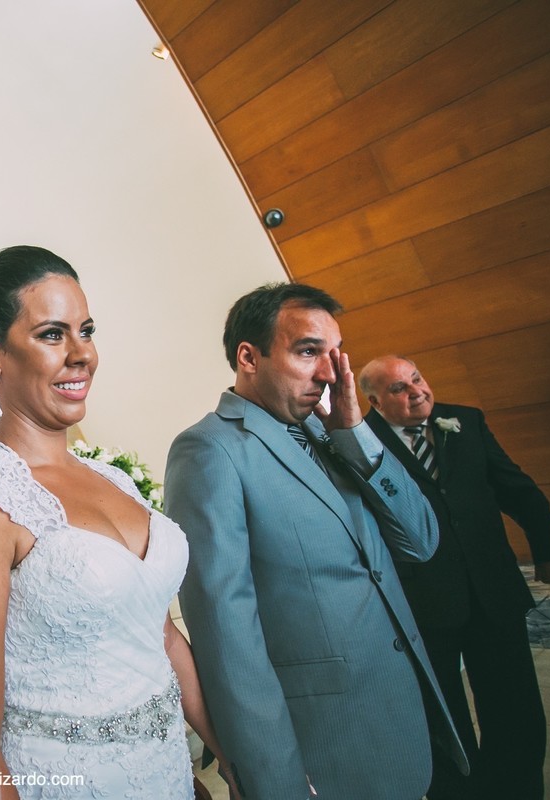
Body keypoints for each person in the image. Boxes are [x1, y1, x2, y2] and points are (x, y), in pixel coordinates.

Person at [0, 246, 233, 799]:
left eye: (86, 330)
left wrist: (234, 756)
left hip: (167, 774)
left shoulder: (115, 479)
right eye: (52, 335)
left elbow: (157, 635)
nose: (82, 354)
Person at [164, 282, 467, 800]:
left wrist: (357, 435)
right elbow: (226, 633)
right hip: (325, 747)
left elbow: (421, 540)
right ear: (249, 356)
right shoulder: (210, 450)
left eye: (333, 354)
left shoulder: (336, 436)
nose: (329, 373)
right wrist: (269, 776)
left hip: (403, 718)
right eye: (308, 352)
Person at [358, 355, 550, 800]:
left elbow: (515, 486)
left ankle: (516, 788)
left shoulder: (466, 422)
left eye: (417, 379)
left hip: (493, 589)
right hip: (424, 602)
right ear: (374, 400)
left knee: (514, 704)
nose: (417, 391)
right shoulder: (361, 442)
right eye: (399, 389)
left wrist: (549, 547)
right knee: (443, 715)